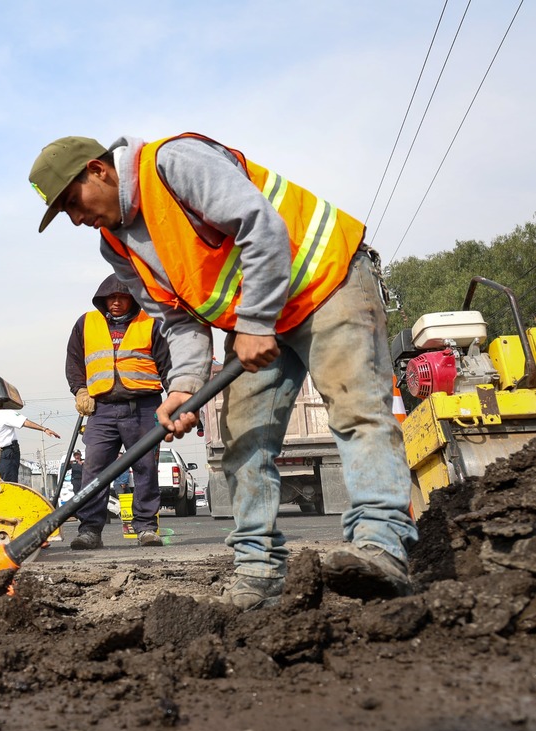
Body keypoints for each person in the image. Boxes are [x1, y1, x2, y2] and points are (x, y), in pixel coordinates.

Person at [29, 133, 418, 610]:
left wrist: (255, 323)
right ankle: (259, 571)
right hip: (259, 317)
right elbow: (178, 317)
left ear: (98, 170)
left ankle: (381, 548)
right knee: (242, 442)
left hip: (325, 281)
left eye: (73, 201)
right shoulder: (116, 246)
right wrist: (184, 387)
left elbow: (262, 227)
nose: (76, 218)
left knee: (357, 412)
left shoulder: (172, 165)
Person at [65, 275, 171, 549]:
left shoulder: (150, 323)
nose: (115, 302)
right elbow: (75, 361)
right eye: (111, 298)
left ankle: (147, 528)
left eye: (122, 297)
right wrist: (80, 390)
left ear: (133, 299)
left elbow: (167, 365)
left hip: (144, 407)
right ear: (103, 300)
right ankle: (90, 530)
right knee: (94, 470)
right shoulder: (86, 323)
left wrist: (177, 403)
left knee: (146, 468)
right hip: (101, 410)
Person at [0, 410, 60, 483]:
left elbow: (24, 422)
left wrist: (44, 429)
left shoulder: (4, 413)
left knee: (8, 481)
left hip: (7, 452)